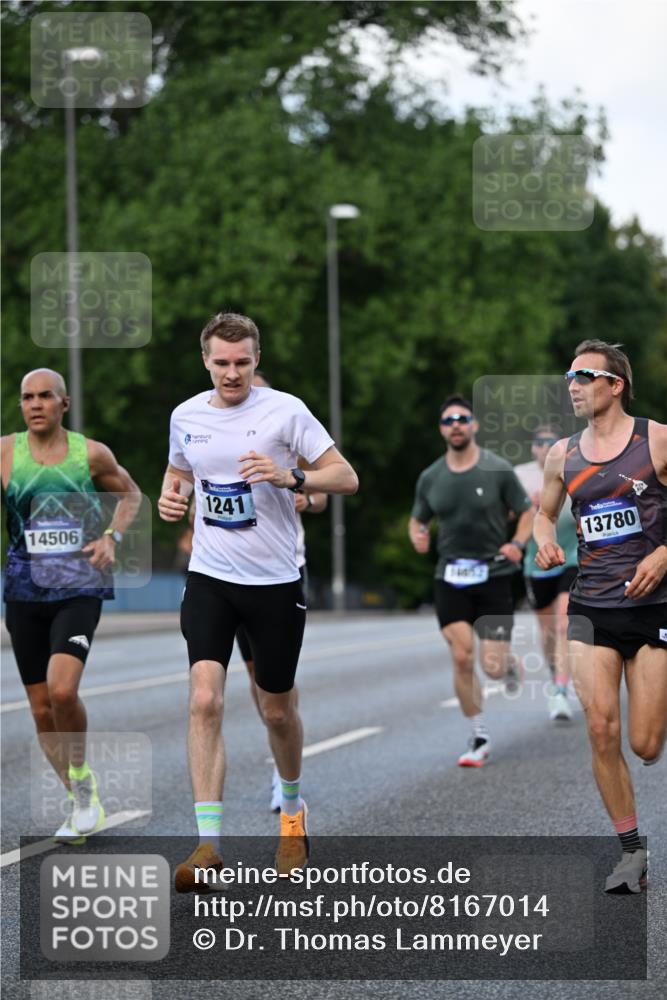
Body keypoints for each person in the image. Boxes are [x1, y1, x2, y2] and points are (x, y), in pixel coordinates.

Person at [158, 312, 358, 890]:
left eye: (242, 362)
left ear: (256, 359)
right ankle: (208, 847)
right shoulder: (186, 416)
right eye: (221, 362)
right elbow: (177, 474)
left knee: (276, 710)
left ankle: (292, 816)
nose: (232, 373)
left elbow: (345, 477)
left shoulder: (286, 411)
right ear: (205, 360)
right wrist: (171, 500)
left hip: (274, 582)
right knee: (204, 699)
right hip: (210, 578)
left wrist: (292, 476)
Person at [535, 339, 667, 893]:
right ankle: (631, 851)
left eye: (585, 376)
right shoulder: (562, 455)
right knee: (599, 726)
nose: (573, 385)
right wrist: (544, 539)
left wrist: (664, 553)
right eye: (570, 376)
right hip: (591, 605)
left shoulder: (655, 439)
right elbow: (543, 514)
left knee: (646, 744)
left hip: (653, 605)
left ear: (616, 385)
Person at [1, 368, 140, 842]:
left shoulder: (91, 453)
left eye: (45, 396)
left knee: (62, 692)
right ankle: (81, 798)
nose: (35, 404)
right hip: (23, 590)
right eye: (27, 397)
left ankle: (81, 778)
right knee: (41, 709)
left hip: (79, 585)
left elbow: (130, 494)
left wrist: (111, 537)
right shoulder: (5, 453)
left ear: (64, 404)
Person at [409, 395, 534, 767]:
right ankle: (479, 736)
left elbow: (527, 511)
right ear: (441, 429)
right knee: (462, 656)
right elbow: (418, 518)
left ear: (474, 424)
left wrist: (517, 544)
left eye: (462, 419)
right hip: (450, 577)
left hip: (494, 575)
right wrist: (417, 535)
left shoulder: (497, 469)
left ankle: (507, 664)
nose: (456, 425)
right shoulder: (431, 477)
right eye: (448, 420)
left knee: (492, 666)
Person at [235, 371, 327, 812]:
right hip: (233, 570)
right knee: (256, 675)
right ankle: (279, 744)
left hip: (285, 566)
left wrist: (304, 493)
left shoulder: (289, 429)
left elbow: (323, 490)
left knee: (279, 679)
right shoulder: (218, 433)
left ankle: (283, 769)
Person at [515, 425, 578, 721]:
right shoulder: (520, 476)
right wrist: (526, 508)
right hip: (536, 561)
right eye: (539, 442)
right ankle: (555, 674)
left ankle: (561, 689)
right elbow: (506, 512)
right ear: (532, 448)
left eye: (551, 442)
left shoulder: (575, 469)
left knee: (564, 621)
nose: (544, 447)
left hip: (571, 555)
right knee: (548, 631)